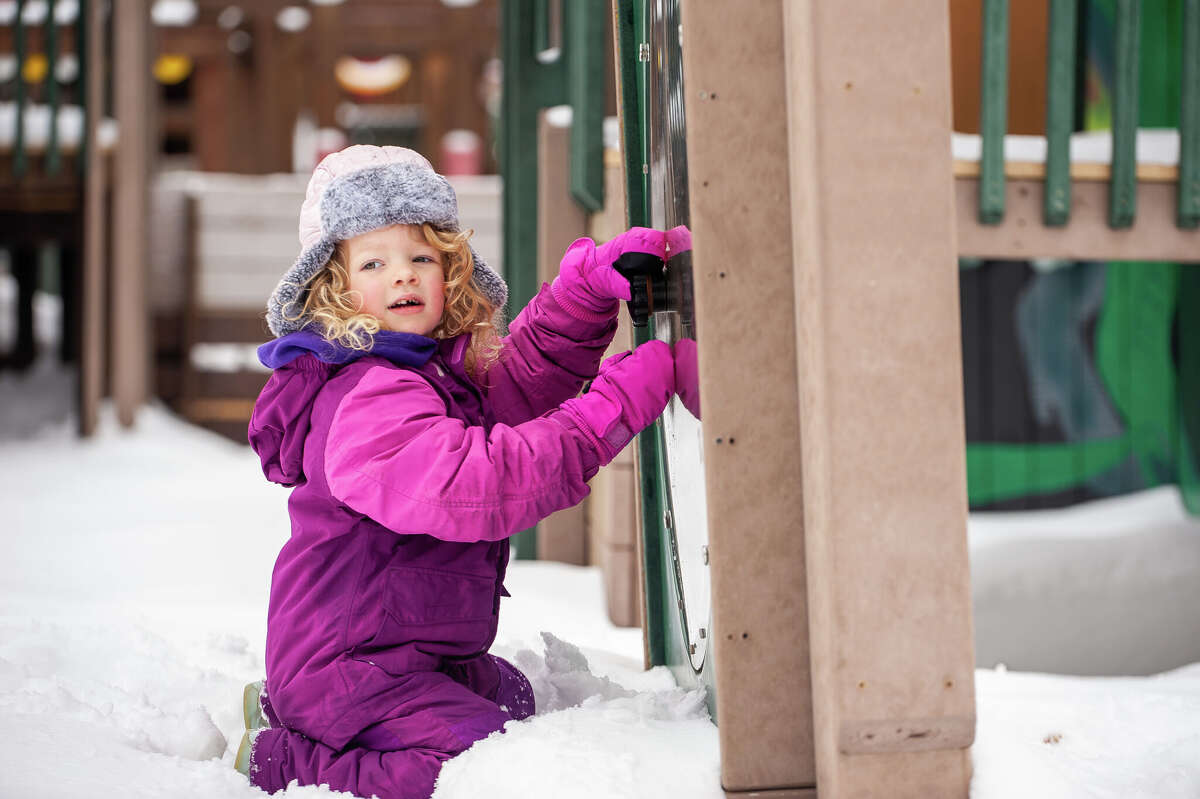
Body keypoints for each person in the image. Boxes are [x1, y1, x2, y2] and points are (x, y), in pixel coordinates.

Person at [237, 145, 674, 799]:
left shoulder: (432, 367)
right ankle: (287, 757)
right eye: (375, 262)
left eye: (420, 257)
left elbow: (519, 380)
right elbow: (479, 486)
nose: (402, 277)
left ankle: (304, 718)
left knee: (515, 701)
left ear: (450, 268)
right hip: (347, 665)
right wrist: (610, 411)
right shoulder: (369, 398)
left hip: (408, 649)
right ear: (337, 286)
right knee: (476, 759)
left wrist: (587, 291)